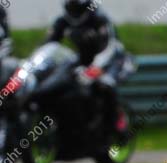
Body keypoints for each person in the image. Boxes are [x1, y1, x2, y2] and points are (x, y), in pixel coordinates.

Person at [47, 0, 130, 136]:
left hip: (112, 60)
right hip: (84, 59)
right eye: (71, 7)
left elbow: (110, 47)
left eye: (76, 7)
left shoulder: (99, 18)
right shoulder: (62, 21)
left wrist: (96, 67)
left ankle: (117, 120)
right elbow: (48, 45)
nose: (74, 11)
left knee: (105, 83)